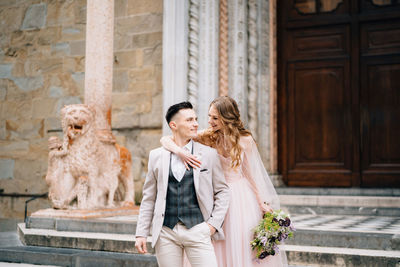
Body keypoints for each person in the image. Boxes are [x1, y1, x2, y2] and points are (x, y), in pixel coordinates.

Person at [161, 96, 287, 267]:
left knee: (239, 242)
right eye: (209, 116)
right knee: (214, 243)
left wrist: (261, 202)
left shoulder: (246, 140)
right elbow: (165, 140)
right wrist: (180, 152)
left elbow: (249, 174)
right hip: (216, 196)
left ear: (227, 117)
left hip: (241, 198)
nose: (209, 121)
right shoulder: (208, 137)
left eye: (215, 118)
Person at [135, 101, 230, 267]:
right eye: (189, 120)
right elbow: (149, 198)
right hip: (166, 232)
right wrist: (141, 233)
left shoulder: (208, 154)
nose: (196, 124)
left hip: (198, 229)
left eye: (195, 119)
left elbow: (222, 191)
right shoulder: (156, 156)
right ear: (174, 125)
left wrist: (212, 226)